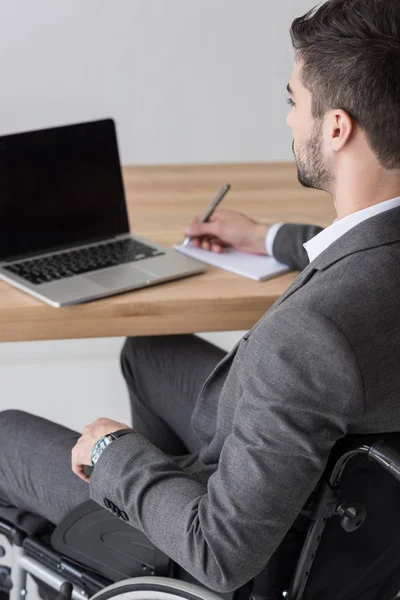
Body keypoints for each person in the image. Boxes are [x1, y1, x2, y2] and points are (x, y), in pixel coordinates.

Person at [1, 0, 400, 595]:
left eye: (295, 101)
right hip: (328, 492)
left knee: (5, 435)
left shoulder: (310, 338)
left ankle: (153, 564)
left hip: (227, 542)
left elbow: (223, 552)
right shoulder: (371, 267)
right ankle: (142, 525)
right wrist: (267, 237)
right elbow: (362, 255)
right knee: (149, 350)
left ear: (337, 127)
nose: (290, 121)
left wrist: (117, 454)